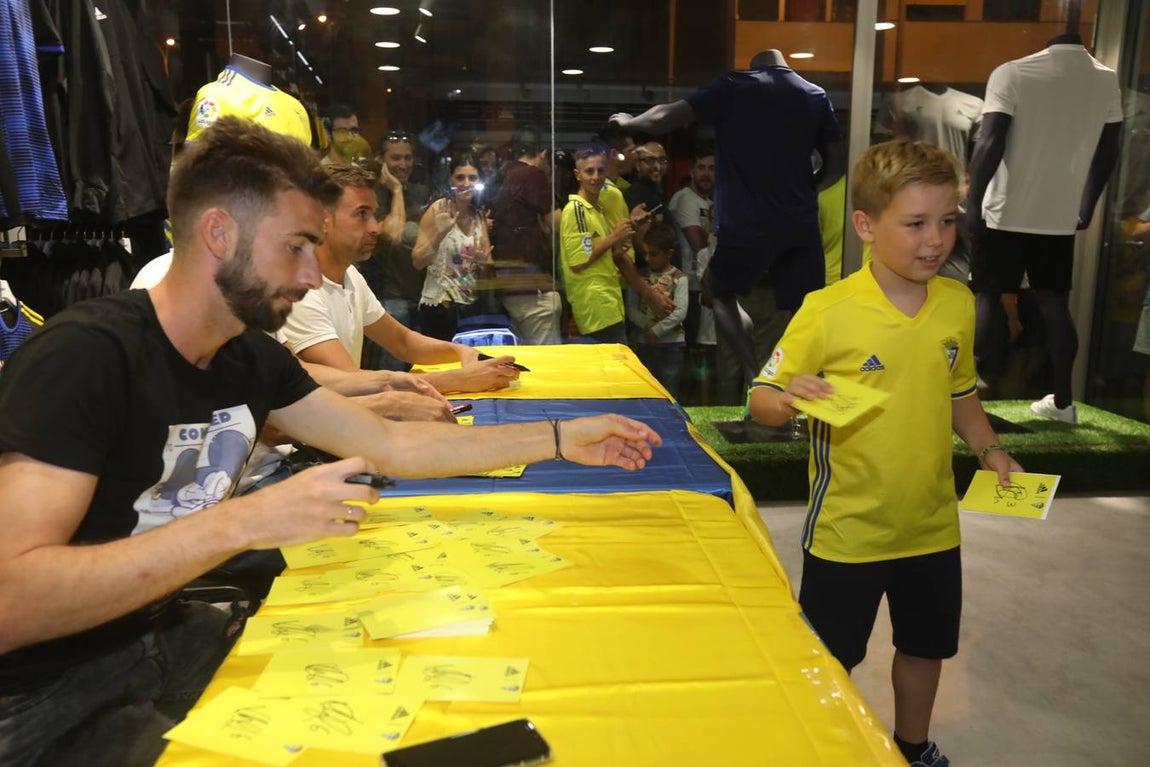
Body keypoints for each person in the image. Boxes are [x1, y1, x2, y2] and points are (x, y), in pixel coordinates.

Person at [0, 116, 662, 766]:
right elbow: (11, 599)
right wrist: (238, 523)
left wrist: (556, 436)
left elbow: (389, 445)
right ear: (218, 232)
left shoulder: (246, 357)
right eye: (294, 247)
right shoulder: (85, 357)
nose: (312, 275)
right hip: (39, 700)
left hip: (155, 640)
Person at [749, 140, 1021, 767]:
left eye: (949, 221)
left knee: (926, 648)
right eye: (916, 224)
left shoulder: (956, 303)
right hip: (847, 531)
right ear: (866, 226)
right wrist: (789, 396)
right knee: (830, 657)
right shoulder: (826, 312)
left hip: (931, 525)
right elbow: (760, 399)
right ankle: (829, 751)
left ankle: (912, 748)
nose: (936, 241)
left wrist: (990, 449)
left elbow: (960, 395)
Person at [610, 49, 844, 389]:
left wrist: (628, 122)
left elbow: (667, 117)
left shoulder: (737, 85)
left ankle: (755, 377)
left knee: (717, 291)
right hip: (800, 224)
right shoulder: (814, 94)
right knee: (806, 312)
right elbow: (836, 164)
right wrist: (803, 193)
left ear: (756, 67)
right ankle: (806, 390)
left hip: (747, 222)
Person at [966, 33, 1122, 424]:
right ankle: (1065, 403)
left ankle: (965, 399)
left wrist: (973, 203)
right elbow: (1109, 150)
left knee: (986, 297)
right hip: (1057, 217)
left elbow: (991, 140)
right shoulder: (1105, 78)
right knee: (1054, 303)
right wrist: (1087, 204)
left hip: (1004, 211)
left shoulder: (1013, 72)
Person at [130, 252, 455, 423]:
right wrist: (382, 402)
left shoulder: (255, 284)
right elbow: (267, 417)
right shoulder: (166, 283)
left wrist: (387, 383)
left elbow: (289, 375)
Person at [281, 163, 518, 393]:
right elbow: (351, 382)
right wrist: (457, 379)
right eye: (361, 214)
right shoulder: (300, 291)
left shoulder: (350, 274)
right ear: (320, 220)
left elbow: (402, 341)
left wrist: (462, 352)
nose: (376, 228)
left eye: (374, 214)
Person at [559, 144, 662, 343]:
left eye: (600, 171)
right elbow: (578, 261)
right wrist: (614, 237)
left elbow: (603, 252)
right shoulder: (576, 210)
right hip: (595, 305)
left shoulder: (596, 209)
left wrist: (622, 235)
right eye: (589, 171)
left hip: (608, 302)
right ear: (577, 174)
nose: (595, 177)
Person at [358, 130, 431, 370]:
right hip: (387, 298)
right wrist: (397, 191)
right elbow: (393, 234)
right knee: (392, 372)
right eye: (396, 158)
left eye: (408, 158)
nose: (403, 164)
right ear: (381, 160)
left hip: (417, 294)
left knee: (417, 370)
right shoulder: (372, 193)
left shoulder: (419, 193)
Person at [490, 127, 562, 344]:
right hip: (531, 284)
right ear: (543, 154)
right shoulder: (532, 175)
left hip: (506, 281)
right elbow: (558, 223)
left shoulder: (502, 174)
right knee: (546, 360)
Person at [411, 155, 493, 341]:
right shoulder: (439, 209)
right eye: (460, 177)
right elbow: (417, 260)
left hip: (470, 309)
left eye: (472, 178)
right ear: (451, 180)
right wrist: (440, 233)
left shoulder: (478, 215)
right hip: (440, 307)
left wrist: (482, 264)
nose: (466, 183)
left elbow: (488, 265)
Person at [626, 223, 688, 398]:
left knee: (669, 391)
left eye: (653, 254)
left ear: (669, 253)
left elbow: (680, 312)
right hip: (644, 343)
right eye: (645, 253)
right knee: (646, 392)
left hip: (672, 345)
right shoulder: (638, 278)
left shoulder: (680, 278)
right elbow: (631, 308)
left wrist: (657, 330)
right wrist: (647, 324)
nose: (647, 258)